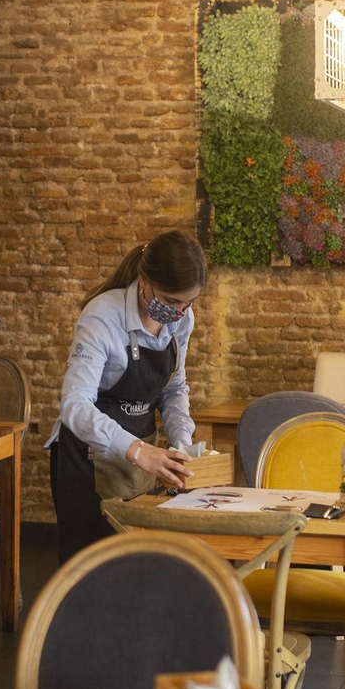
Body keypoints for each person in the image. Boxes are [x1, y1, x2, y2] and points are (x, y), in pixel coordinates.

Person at [47, 231, 206, 562]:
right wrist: (136, 450)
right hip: (85, 463)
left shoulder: (181, 320)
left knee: (138, 569)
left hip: (141, 463)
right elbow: (74, 406)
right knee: (90, 572)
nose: (178, 312)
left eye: (188, 303)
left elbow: (174, 387)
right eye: (170, 301)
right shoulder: (102, 316)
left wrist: (181, 443)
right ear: (144, 280)